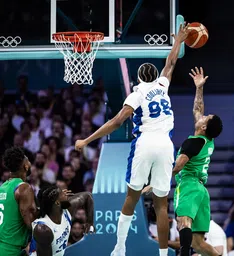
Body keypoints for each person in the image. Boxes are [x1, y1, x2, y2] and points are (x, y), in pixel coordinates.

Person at [75, 23, 189, 256]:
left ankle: (119, 247)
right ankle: (163, 254)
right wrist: (178, 40)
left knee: (131, 196)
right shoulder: (162, 85)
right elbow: (170, 63)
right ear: (155, 77)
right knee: (161, 205)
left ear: (138, 79)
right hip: (166, 146)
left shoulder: (137, 94)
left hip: (145, 143)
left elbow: (117, 122)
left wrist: (86, 140)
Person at [172, 67, 223, 256]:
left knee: (183, 222)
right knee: (199, 244)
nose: (202, 115)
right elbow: (197, 109)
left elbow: (178, 166)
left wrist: (155, 182)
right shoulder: (207, 140)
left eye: (206, 118)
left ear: (203, 126)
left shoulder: (193, 143)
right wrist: (199, 88)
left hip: (189, 185)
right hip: (202, 191)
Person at [29, 185, 94, 256]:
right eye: (62, 193)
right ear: (57, 203)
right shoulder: (43, 229)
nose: (65, 193)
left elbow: (88, 196)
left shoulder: (67, 210)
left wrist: (89, 222)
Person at [0, 147, 38, 256]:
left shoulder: (3, 187)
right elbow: (31, 223)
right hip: (11, 249)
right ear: (26, 166)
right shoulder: (24, 188)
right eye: (28, 161)